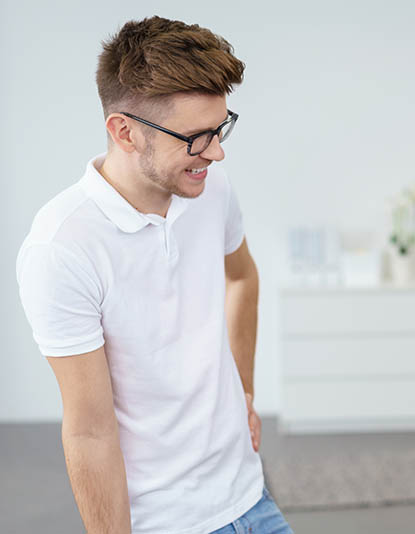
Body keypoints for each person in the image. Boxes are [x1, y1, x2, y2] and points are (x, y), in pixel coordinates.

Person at [16, 16, 293, 534]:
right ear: (124, 131)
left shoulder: (211, 187)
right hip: (161, 521)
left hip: (250, 495)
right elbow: (89, 434)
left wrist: (245, 391)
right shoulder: (62, 248)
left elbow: (242, 279)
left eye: (221, 127)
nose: (216, 151)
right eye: (196, 137)